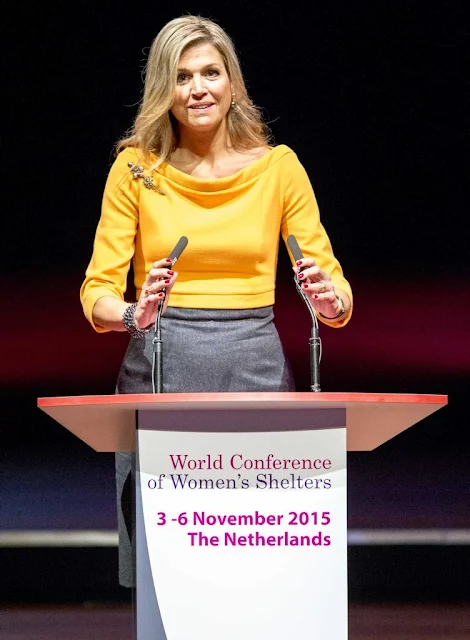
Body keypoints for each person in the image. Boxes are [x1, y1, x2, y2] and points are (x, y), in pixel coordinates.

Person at [80, 15, 352, 587]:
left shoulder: (279, 168)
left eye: (210, 72)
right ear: (164, 89)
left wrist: (327, 300)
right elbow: (97, 292)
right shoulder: (135, 169)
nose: (197, 88)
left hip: (253, 369)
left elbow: (333, 286)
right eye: (181, 77)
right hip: (158, 372)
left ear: (233, 83)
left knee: (253, 568)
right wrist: (135, 313)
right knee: (169, 580)